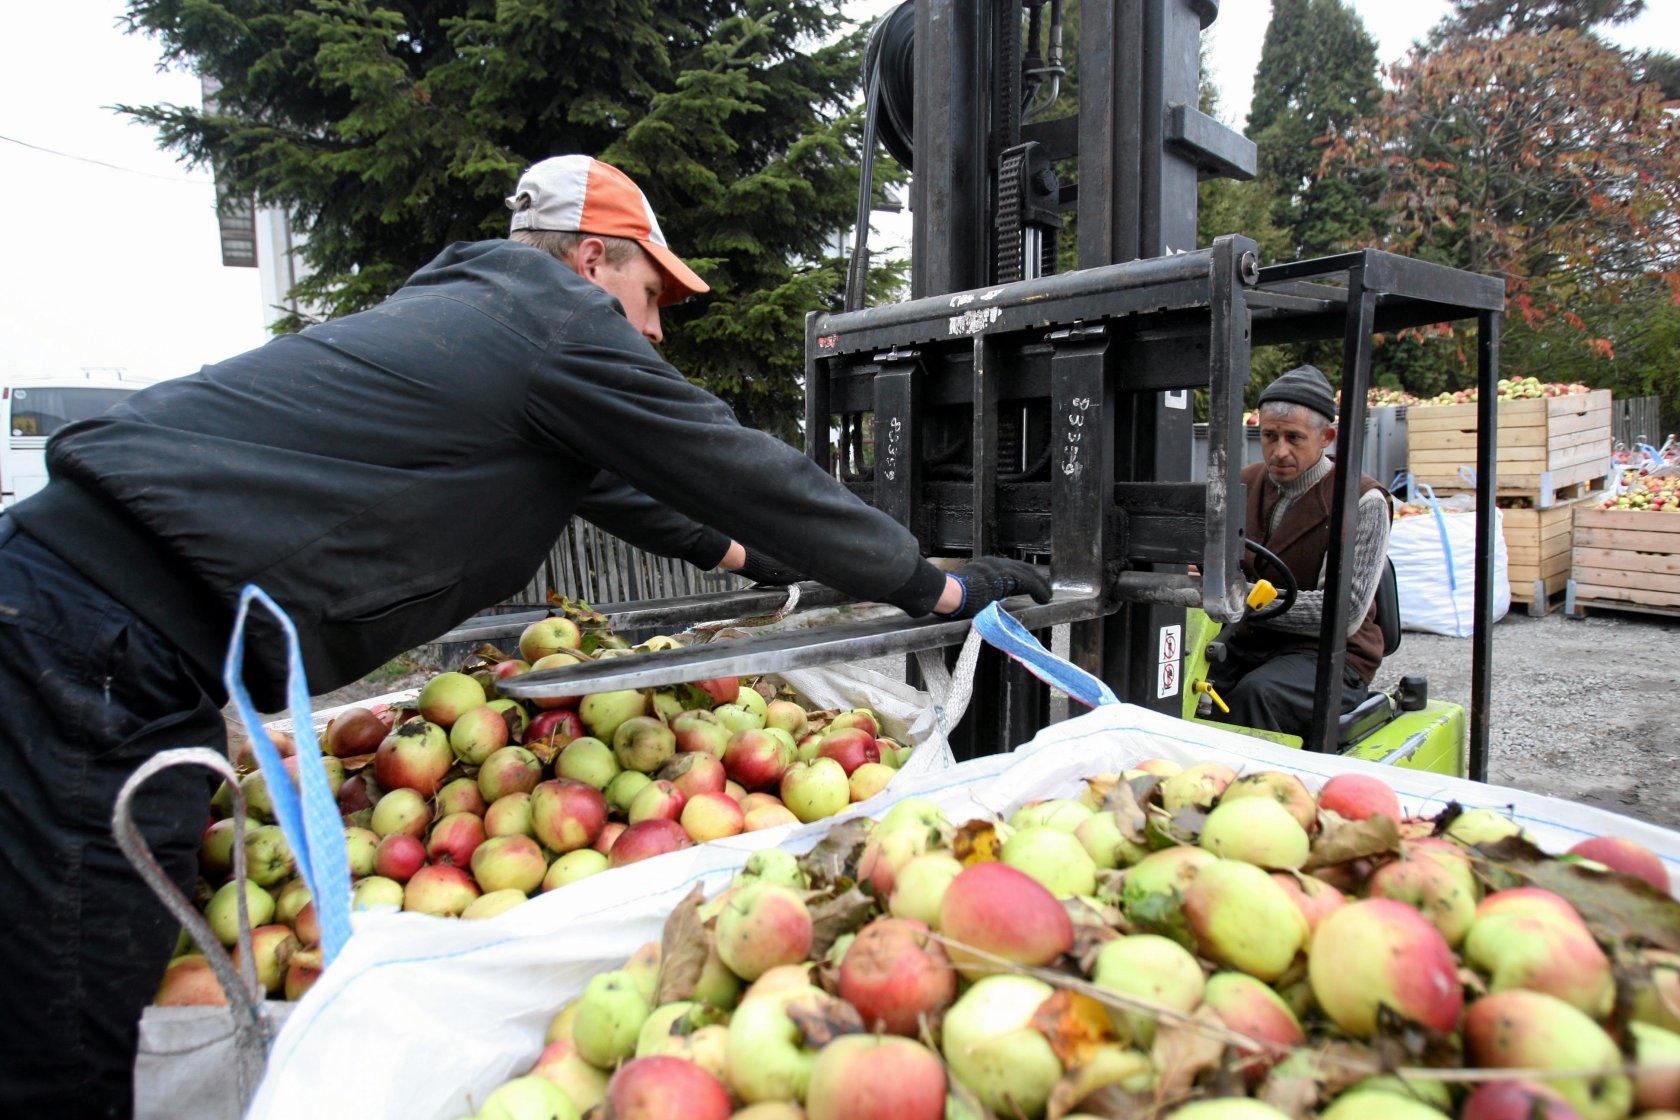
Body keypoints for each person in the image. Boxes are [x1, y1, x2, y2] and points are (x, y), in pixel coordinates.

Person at [0, 154, 1050, 1117]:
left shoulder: (485, 333)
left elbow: (650, 497)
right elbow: (733, 463)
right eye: (650, 297)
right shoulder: (550, 321)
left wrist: (764, 560)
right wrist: (933, 586)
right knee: (71, 1009)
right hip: (86, 642)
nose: (653, 331)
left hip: (88, 627)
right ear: (592, 259)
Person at [1204, 364, 1393, 740]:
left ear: (1327, 437)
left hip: (1330, 655)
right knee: (1174, 681)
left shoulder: (1362, 501)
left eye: (1294, 437)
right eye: (1270, 436)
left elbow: (1345, 612)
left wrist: (1239, 601)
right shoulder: (1243, 483)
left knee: (1257, 696)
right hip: (1248, 644)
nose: (1279, 451)